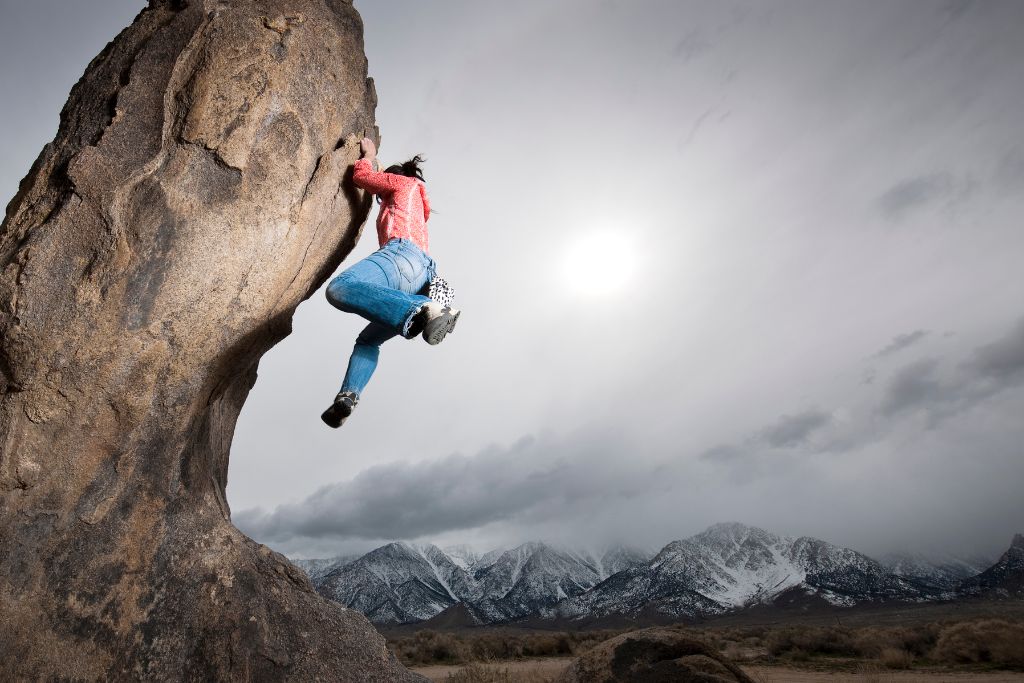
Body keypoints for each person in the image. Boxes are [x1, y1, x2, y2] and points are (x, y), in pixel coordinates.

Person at [320, 138, 459, 428]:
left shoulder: (401, 184)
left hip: (401, 256)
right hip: (422, 276)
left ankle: (425, 309)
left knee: (340, 288)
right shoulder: (418, 203)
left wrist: (369, 156)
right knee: (368, 340)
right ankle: (348, 396)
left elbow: (362, 177)